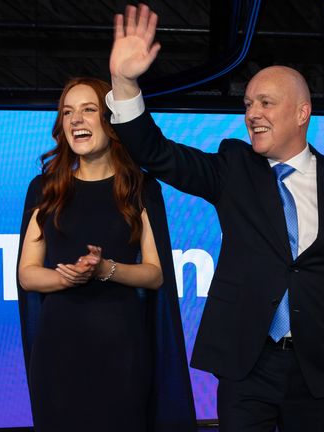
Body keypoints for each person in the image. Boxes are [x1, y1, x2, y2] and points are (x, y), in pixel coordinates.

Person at [106, 4, 324, 431]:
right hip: (245, 364)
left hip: (316, 367)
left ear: (302, 112)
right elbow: (156, 153)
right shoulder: (233, 167)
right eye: (248, 104)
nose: (252, 113)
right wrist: (125, 81)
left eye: (265, 102)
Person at [16, 77, 196, 432]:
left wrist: (105, 269)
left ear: (110, 121)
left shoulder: (140, 188)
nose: (75, 120)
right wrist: (66, 276)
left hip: (122, 350)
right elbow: (27, 274)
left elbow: (155, 273)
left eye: (88, 110)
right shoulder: (45, 188)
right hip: (58, 352)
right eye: (68, 112)